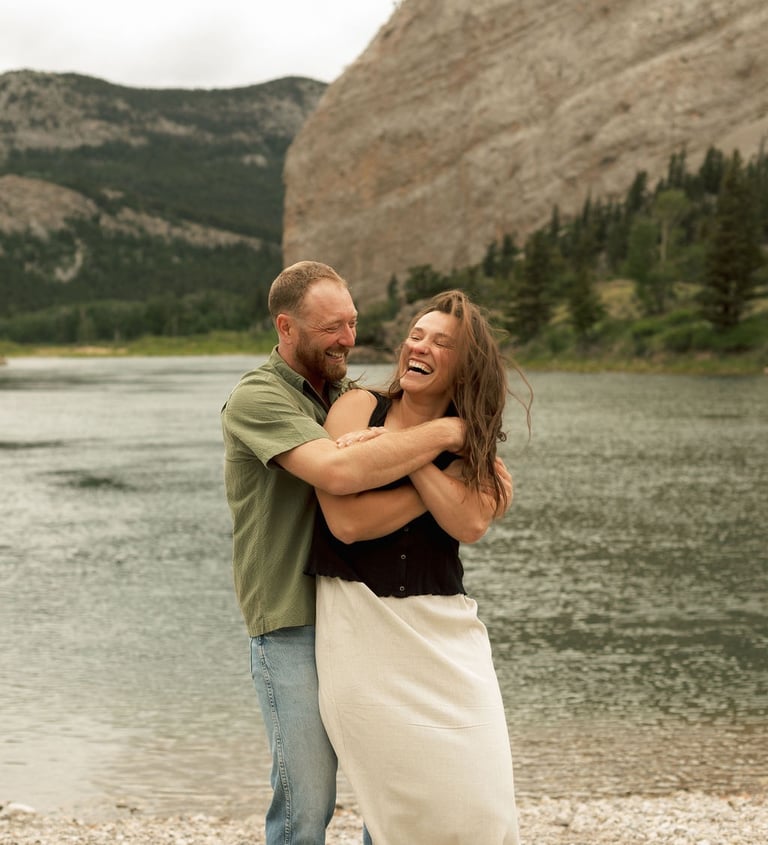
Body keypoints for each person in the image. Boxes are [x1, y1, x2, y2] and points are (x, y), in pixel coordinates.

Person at [220, 261, 471, 845]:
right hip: (291, 620)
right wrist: (446, 437)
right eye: (332, 328)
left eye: (353, 323)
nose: (349, 340)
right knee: (307, 804)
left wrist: (462, 456)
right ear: (286, 327)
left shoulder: (352, 398)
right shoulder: (257, 397)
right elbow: (336, 472)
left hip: (365, 617)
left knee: (390, 792)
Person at [307, 289, 526, 845]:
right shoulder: (357, 409)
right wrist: (445, 451)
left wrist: (406, 448)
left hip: (448, 636)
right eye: (416, 335)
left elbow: (470, 525)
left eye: (441, 342)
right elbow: (347, 522)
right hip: (362, 630)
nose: (419, 346)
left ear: (464, 365)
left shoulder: (469, 439)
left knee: (486, 807)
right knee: (400, 814)